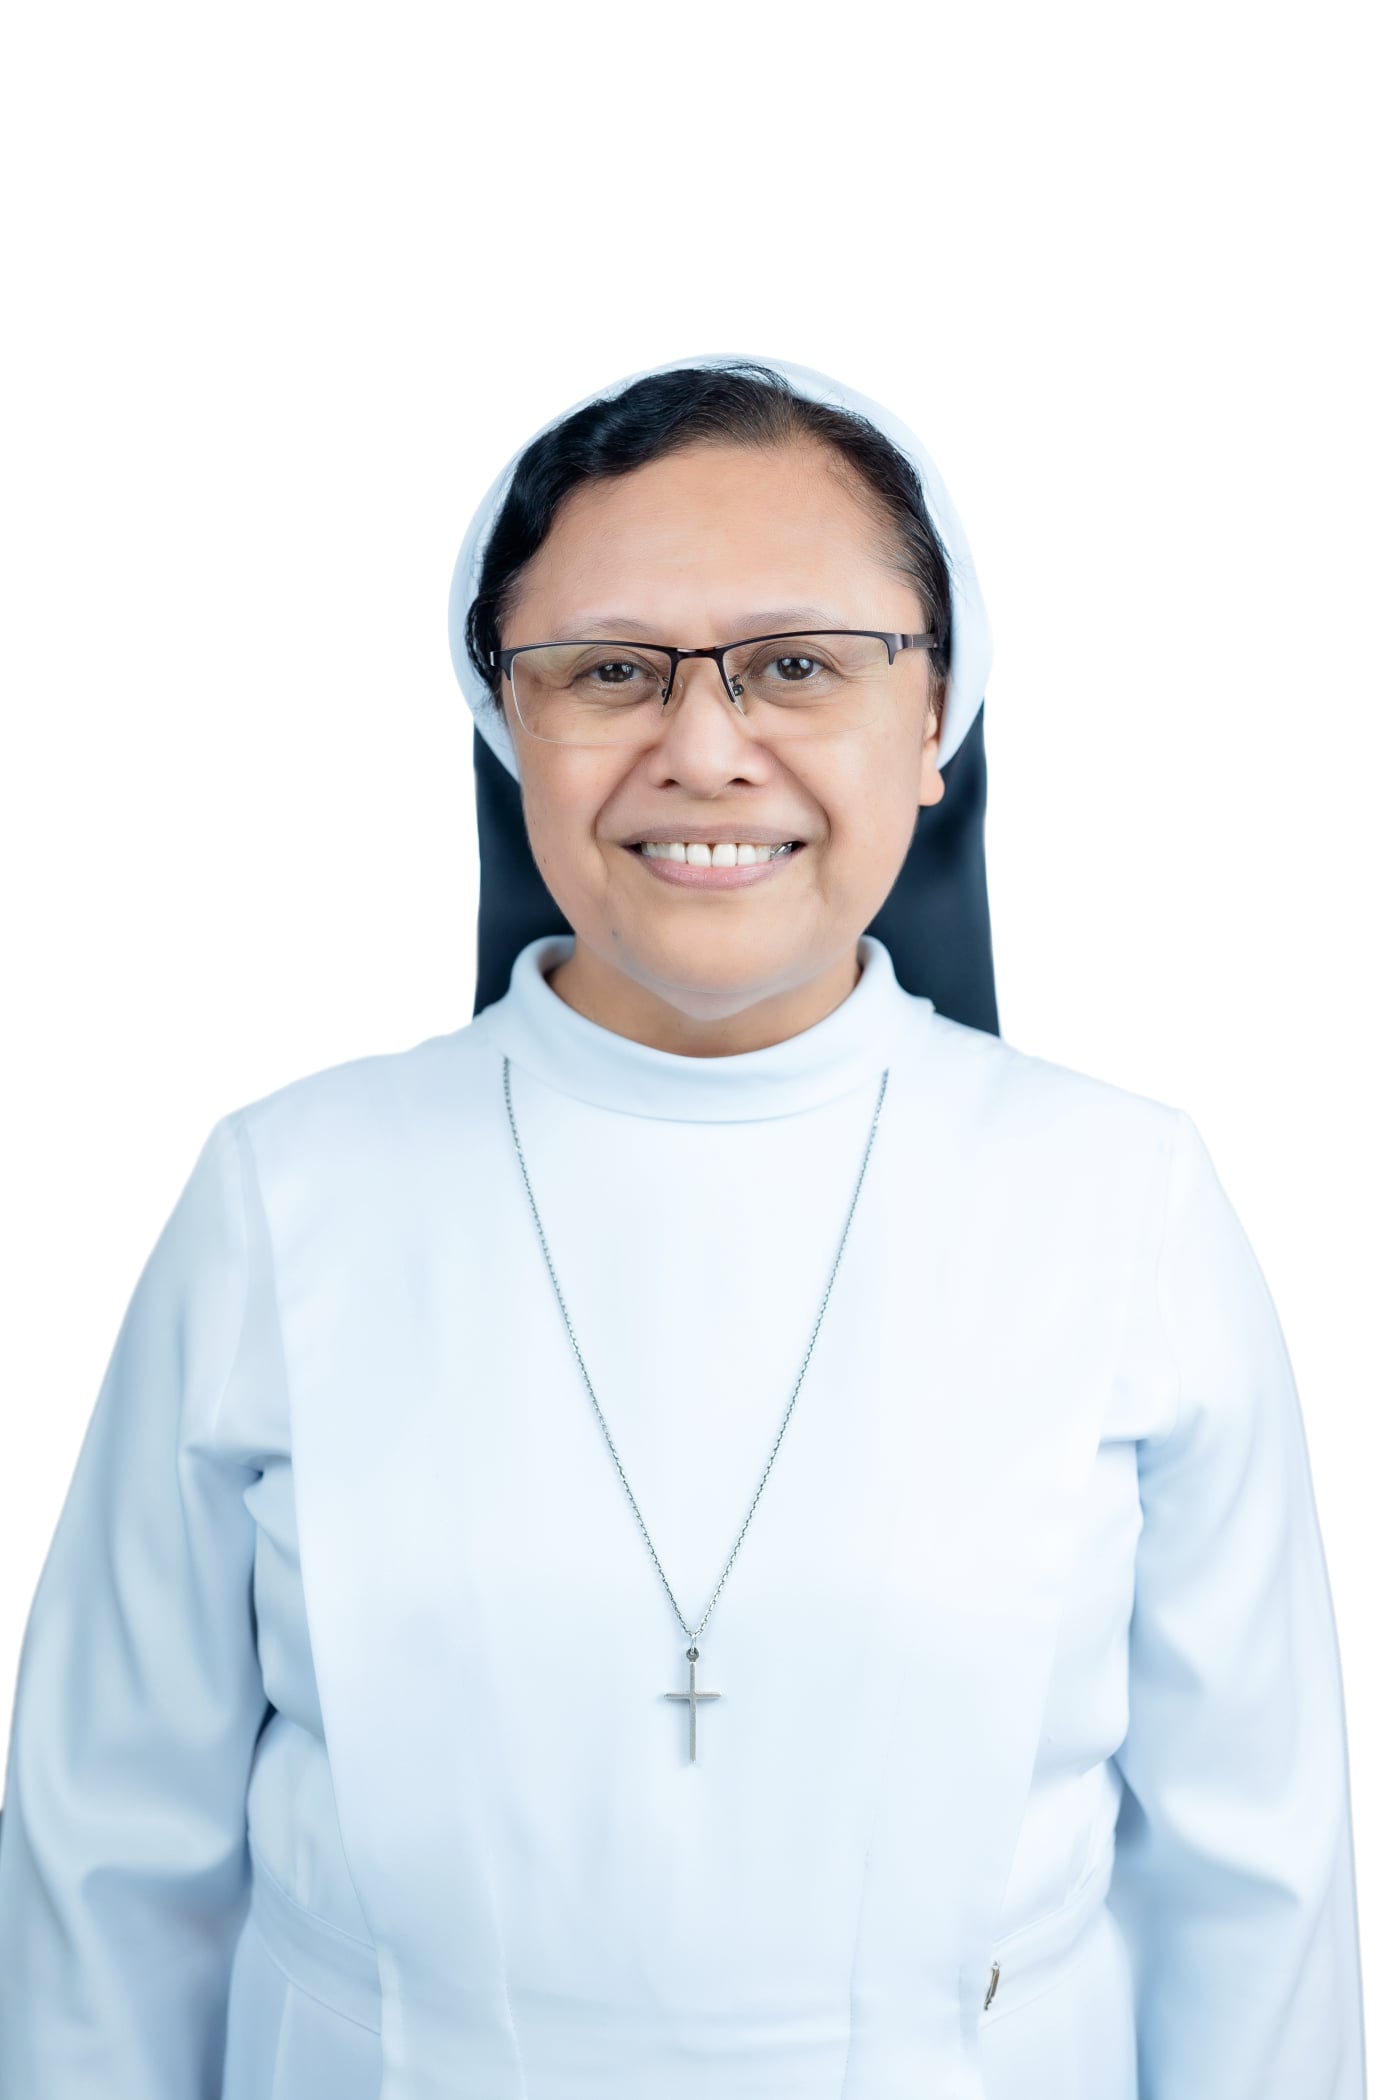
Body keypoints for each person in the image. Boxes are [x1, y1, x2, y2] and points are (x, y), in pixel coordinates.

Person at [0, 353, 1367, 2099]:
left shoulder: (1125, 1199)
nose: (705, 749)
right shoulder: (286, 1195)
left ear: (935, 723)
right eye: (609, 670)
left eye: (799, 664)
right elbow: (106, 1870)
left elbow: (1258, 1893)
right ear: (507, 722)